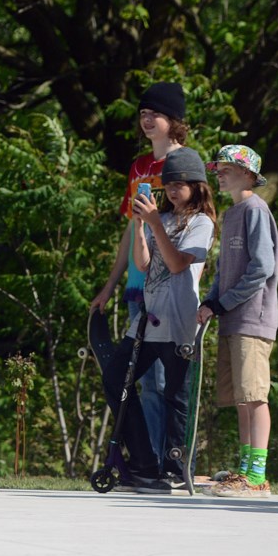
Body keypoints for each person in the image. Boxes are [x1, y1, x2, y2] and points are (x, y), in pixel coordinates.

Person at [101, 147, 215, 493]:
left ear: (197, 186)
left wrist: (153, 224)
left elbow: (180, 263)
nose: (173, 191)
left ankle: (175, 467)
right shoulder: (160, 219)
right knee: (116, 378)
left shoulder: (202, 223)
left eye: (181, 184)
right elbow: (146, 263)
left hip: (180, 321)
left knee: (175, 396)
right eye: (168, 186)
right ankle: (144, 460)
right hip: (147, 322)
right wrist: (140, 227)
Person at [91, 82, 189, 472]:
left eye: (156, 113)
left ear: (173, 120)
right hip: (138, 284)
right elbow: (131, 228)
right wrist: (110, 283)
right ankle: (147, 462)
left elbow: (194, 226)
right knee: (142, 380)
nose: (147, 120)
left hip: (168, 286)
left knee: (167, 382)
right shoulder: (138, 166)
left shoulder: (185, 165)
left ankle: (174, 461)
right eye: (143, 113)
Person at [199, 145, 278, 498]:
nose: (219, 172)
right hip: (232, 319)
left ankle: (257, 476)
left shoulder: (255, 210)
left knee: (255, 395)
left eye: (227, 167)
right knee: (241, 398)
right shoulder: (232, 213)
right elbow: (223, 270)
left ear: (248, 175)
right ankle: (244, 471)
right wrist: (212, 302)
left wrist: (225, 302)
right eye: (217, 167)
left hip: (252, 318)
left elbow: (262, 266)